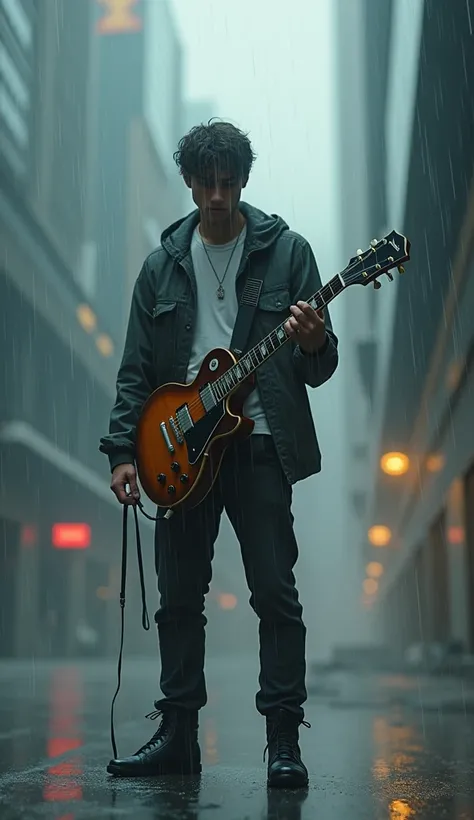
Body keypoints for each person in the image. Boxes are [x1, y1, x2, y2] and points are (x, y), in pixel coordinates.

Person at [99, 119, 339, 788]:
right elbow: (135, 372)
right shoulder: (162, 265)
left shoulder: (289, 255)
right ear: (188, 182)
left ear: (243, 180)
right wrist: (124, 451)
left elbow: (320, 370)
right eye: (205, 184)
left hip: (259, 444)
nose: (216, 196)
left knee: (275, 595)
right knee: (178, 600)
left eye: (227, 183)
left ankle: (283, 742)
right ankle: (178, 736)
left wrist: (316, 339)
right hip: (180, 452)